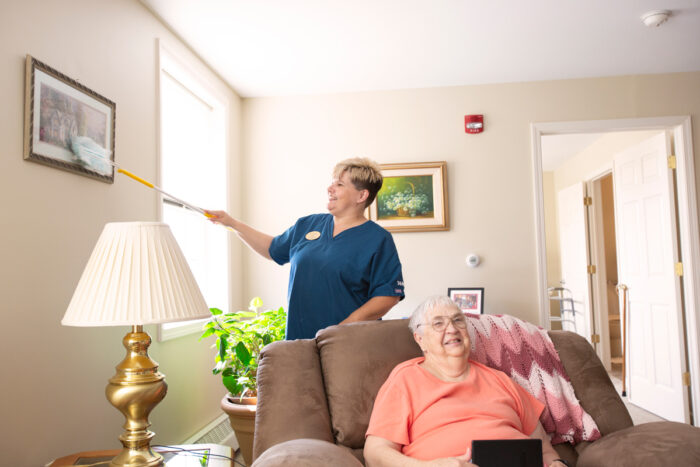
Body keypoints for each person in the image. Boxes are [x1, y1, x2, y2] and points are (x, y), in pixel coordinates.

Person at [206, 157, 405, 340]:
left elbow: (387, 296)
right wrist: (231, 223)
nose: (330, 188)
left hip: (347, 343)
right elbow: (272, 249)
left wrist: (340, 330)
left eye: (339, 184)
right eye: (332, 182)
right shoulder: (307, 225)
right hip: (299, 341)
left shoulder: (378, 239)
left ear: (361, 195)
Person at [364, 296, 569, 467]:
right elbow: (375, 452)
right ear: (420, 339)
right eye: (438, 323)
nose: (452, 329)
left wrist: (556, 464)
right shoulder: (405, 379)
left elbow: (544, 449)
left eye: (458, 320)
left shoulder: (500, 380)